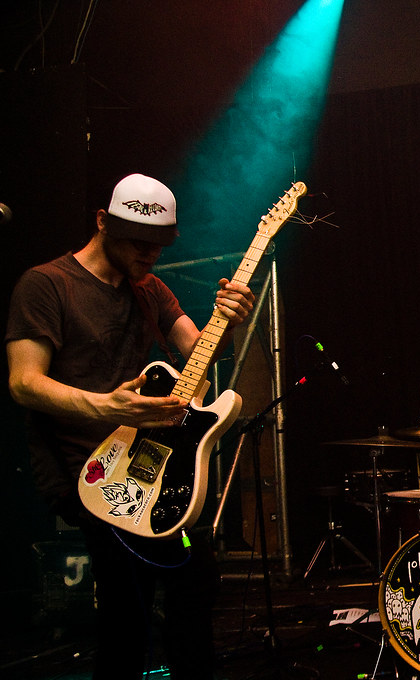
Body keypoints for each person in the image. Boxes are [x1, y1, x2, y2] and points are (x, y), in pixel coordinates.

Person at [6, 173, 255, 679]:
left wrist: (230, 321)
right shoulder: (46, 284)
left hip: (148, 464)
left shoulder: (150, 288)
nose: (149, 254)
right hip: (85, 468)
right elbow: (24, 383)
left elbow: (199, 351)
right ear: (103, 222)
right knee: (129, 602)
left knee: (193, 582)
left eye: (159, 245)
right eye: (138, 242)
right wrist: (107, 408)